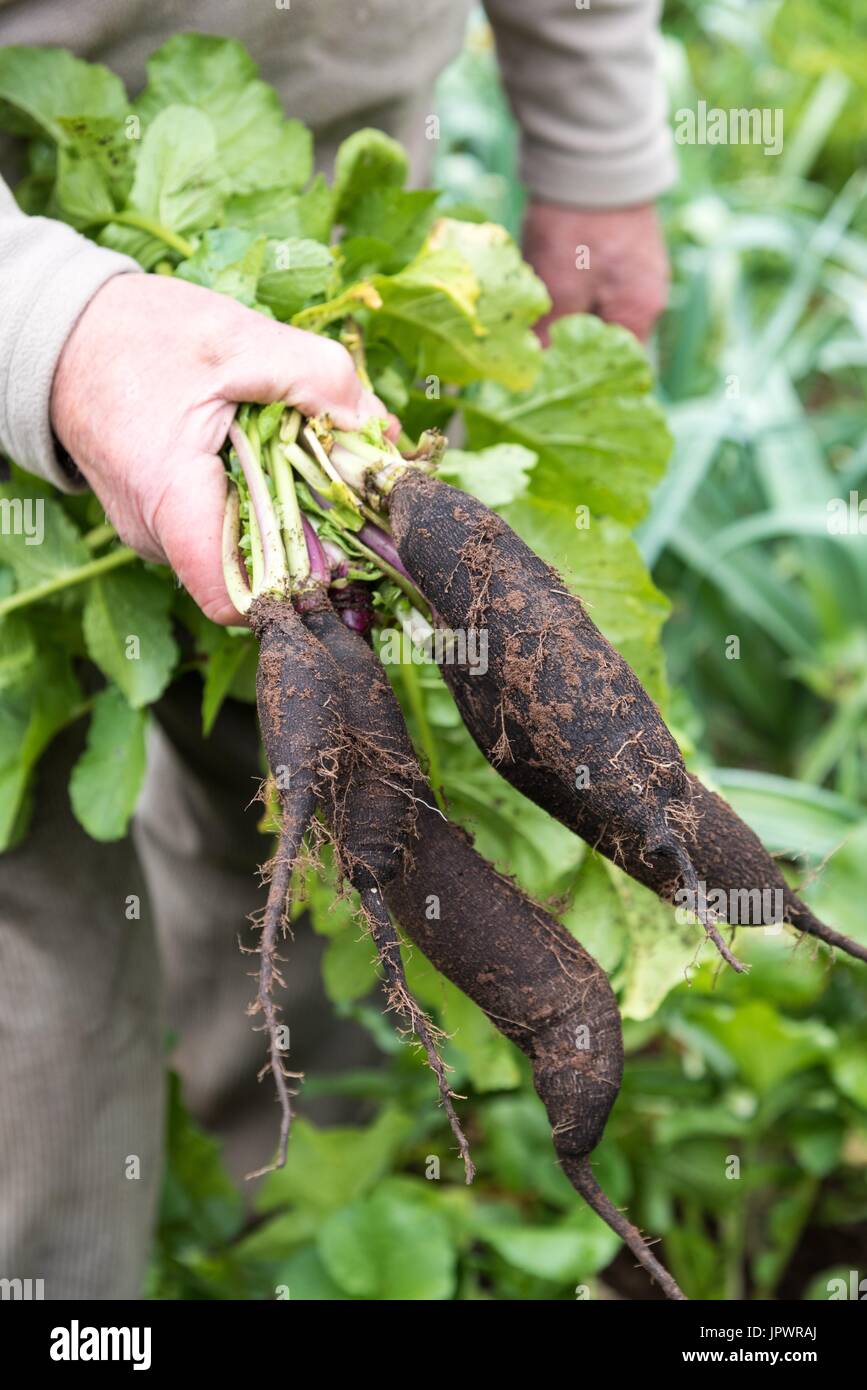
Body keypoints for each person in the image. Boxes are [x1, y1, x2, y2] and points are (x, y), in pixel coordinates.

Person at [0, 0, 675, 1299]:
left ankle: (311, 1216)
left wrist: (594, 128)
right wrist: (56, 329)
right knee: (37, 950)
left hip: (304, 214)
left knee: (308, 818)